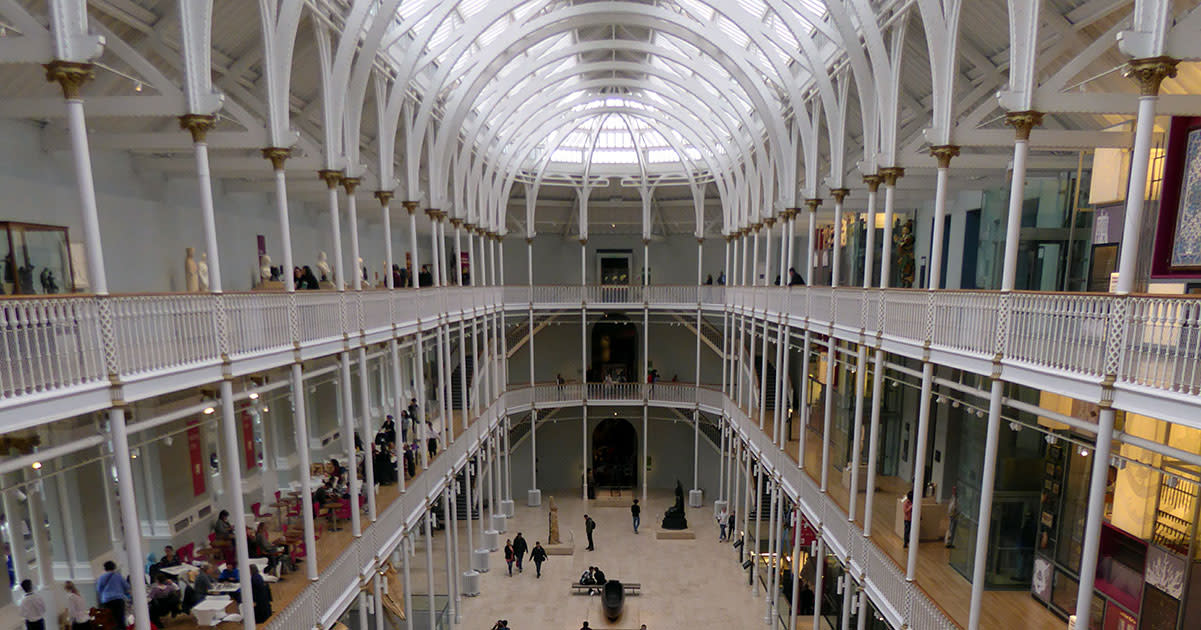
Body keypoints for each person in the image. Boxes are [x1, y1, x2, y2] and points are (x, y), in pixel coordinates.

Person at [96, 560, 129, 626]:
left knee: (110, 621)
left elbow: (99, 589)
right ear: (114, 567)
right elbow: (126, 587)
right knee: (120, 620)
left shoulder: (101, 577)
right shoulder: (118, 576)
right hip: (118, 600)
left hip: (107, 601)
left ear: (105, 568)